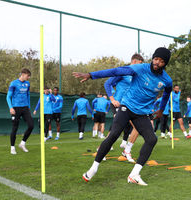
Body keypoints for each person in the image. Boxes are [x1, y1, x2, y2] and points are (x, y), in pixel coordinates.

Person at [73, 47, 172, 186]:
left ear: (165, 64)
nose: (157, 62)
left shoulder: (167, 80)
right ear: (153, 58)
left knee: (151, 139)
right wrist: (91, 75)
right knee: (114, 134)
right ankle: (93, 168)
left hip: (142, 113)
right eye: (155, 59)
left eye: (161, 61)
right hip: (126, 107)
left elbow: (167, 93)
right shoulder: (140, 68)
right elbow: (115, 71)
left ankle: (134, 174)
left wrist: (161, 109)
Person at [104, 53, 144, 148]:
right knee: (117, 129)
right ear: (134, 61)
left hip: (128, 105)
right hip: (118, 103)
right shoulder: (124, 71)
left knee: (136, 127)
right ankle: (102, 149)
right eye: (140, 63)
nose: (141, 66)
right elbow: (107, 83)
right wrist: (112, 99)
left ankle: (126, 149)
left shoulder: (135, 75)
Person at [6, 68, 34, 154]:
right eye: (27, 76)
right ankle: (12, 147)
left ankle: (22, 143)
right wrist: (11, 108)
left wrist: (28, 106)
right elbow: (8, 97)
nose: (28, 77)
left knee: (31, 125)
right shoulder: (14, 83)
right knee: (15, 128)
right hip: (16, 108)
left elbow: (28, 95)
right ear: (23, 74)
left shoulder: (27, 83)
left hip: (25, 108)